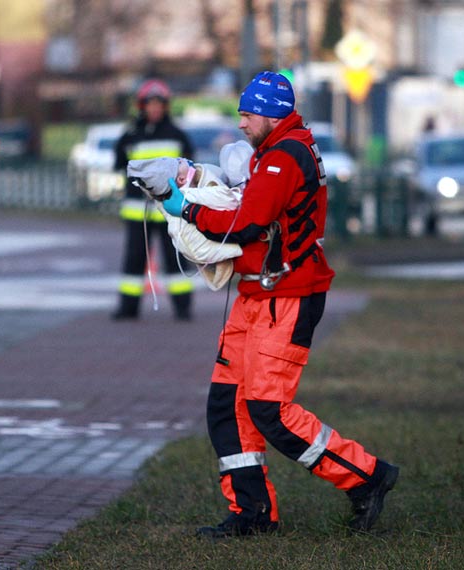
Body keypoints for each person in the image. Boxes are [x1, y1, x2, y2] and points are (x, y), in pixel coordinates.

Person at [163, 71, 399, 538]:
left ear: (271, 114)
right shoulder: (276, 151)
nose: (241, 125)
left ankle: (367, 477)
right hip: (258, 294)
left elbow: (246, 225)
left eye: (247, 115)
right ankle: (252, 514)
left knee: (269, 410)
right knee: (227, 404)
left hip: (286, 299)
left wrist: (184, 207)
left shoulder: (283, 156)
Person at [111, 78, 195, 320]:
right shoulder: (130, 135)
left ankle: (183, 308)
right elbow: (119, 165)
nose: (155, 108)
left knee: (176, 258)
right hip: (138, 211)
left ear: (166, 106)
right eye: (151, 104)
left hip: (171, 210)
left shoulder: (178, 135)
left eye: (160, 104)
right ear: (142, 106)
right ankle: (128, 309)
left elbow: (189, 170)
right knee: (133, 262)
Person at [127, 140, 253, 291]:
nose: (184, 160)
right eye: (180, 162)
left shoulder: (192, 187)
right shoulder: (190, 198)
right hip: (243, 256)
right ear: (180, 180)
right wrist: (187, 200)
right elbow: (229, 199)